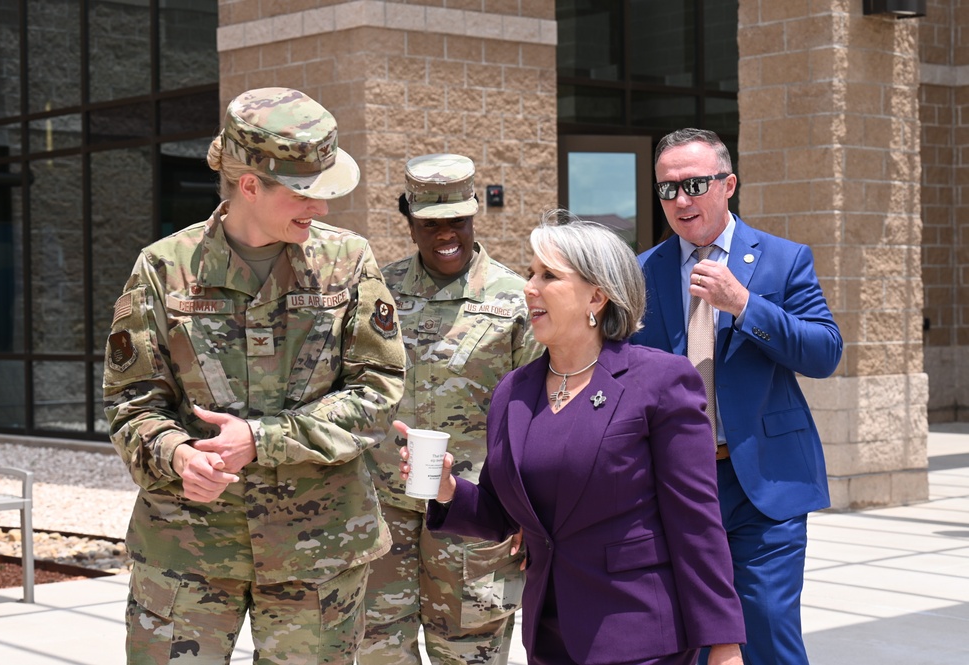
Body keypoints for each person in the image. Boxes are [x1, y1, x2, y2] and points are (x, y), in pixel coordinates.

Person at [102, 87, 407, 664]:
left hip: (318, 549)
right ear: (249, 185)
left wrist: (261, 440)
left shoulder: (348, 261)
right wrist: (177, 455)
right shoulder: (165, 268)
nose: (319, 208)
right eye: (303, 193)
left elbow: (379, 392)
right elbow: (132, 401)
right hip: (188, 549)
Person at [401, 209, 746, 665]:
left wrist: (723, 644)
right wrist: (447, 491)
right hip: (550, 637)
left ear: (597, 296)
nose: (529, 287)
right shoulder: (513, 391)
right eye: (530, 274)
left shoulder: (661, 381)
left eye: (548, 275)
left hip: (641, 634)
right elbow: (502, 514)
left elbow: (696, 523)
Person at [631, 128, 843, 665]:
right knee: (693, 638)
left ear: (729, 185)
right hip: (676, 483)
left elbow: (824, 353)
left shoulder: (783, 259)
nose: (680, 200)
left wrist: (745, 304)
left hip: (764, 482)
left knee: (765, 627)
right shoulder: (641, 272)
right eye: (667, 189)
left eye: (695, 184)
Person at [360, 154, 542, 665]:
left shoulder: (515, 299)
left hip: (474, 511)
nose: (446, 235)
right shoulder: (379, 292)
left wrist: (529, 509)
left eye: (457, 222)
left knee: (471, 652)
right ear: (411, 222)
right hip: (385, 508)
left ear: (474, 216)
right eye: (431, 224)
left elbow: (537, 414)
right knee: (378, 649)